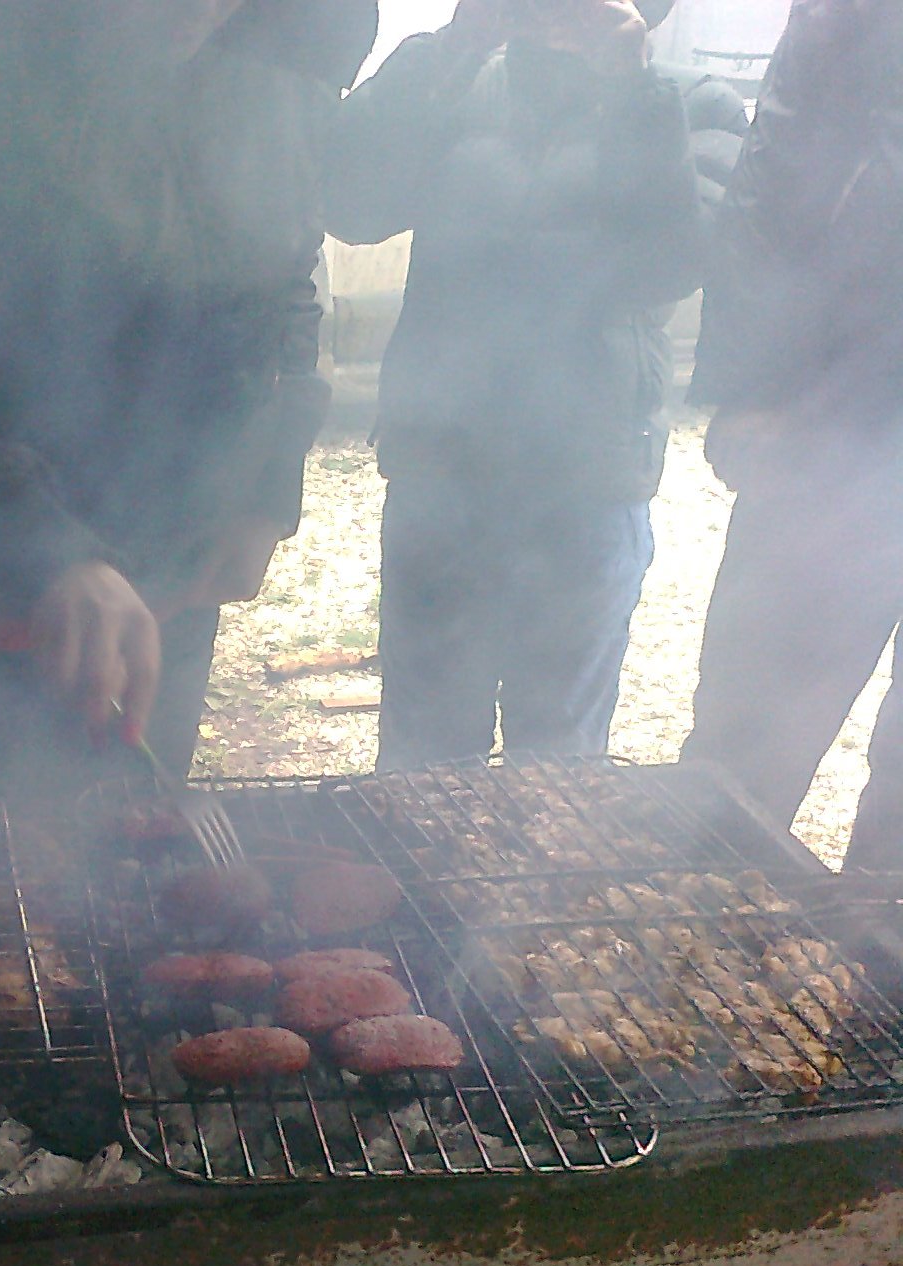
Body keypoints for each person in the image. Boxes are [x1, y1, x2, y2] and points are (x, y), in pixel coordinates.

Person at [0, 0, 378, 813]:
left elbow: (281, 288)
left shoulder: (267, 66)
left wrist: (267, 488)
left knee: (132, 860)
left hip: (152, 592)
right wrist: (49, 551)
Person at [324, 0, 714, 769]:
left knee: (560, 762)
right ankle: (421, 857)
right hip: (442, 471)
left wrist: (632, 91)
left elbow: (673, 264)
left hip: (588, 480)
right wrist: (452, 47)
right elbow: (349, 202)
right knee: (423, 757)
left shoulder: (686, 100)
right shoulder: (460, 81)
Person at [681, 0, 903, 869]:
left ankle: (879, 947)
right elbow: (776, 177)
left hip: (837, 414)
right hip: (835, 422)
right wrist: (755, 385)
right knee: (747, 746)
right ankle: (694, 928)